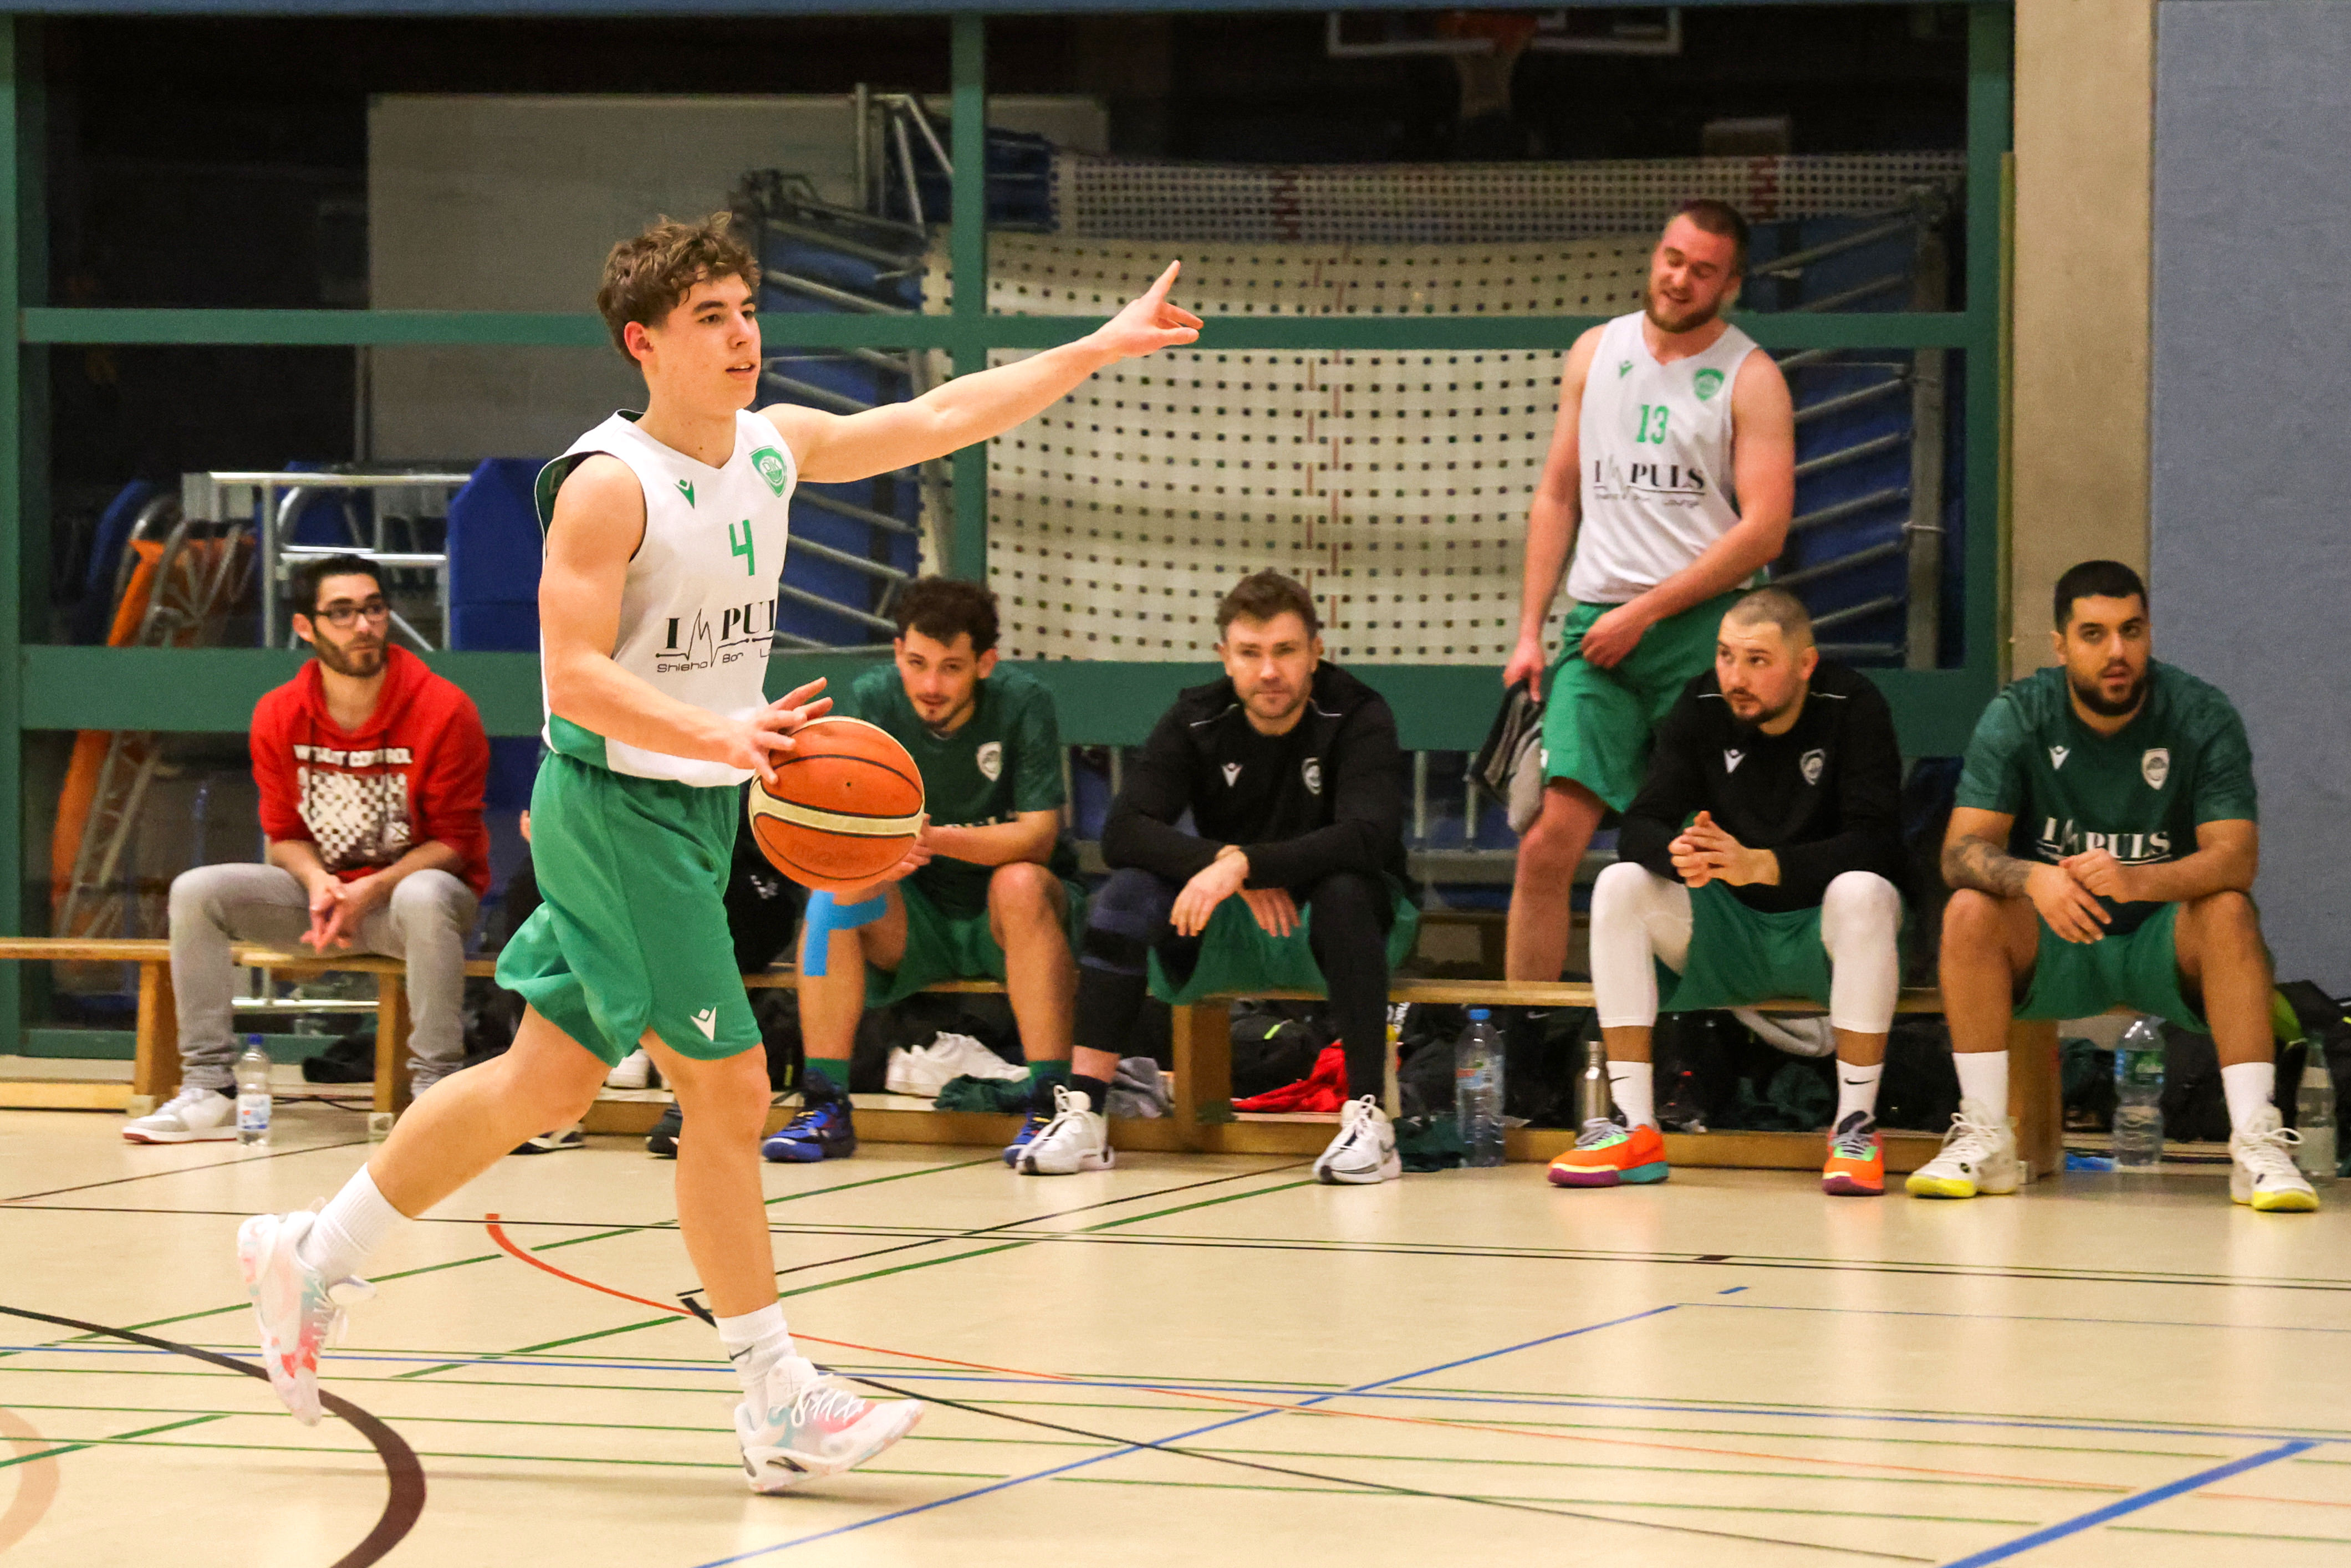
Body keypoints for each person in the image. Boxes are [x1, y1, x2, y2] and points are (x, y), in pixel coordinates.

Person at [234, 212, 1201, 1489]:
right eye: (711, 317)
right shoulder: (607, 484)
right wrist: (720, 730)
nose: (743, 335)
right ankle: (774, 1392)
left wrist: (1094, 347)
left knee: (545, 1083)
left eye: (747, 310)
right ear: (643, 342)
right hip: (615, 804)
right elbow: (574, 677)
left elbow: (937, 417)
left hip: (694, 806)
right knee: (733, 1091)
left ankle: (312, 1253)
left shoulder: (770, 445)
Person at [1918, 560, 2314, 1211]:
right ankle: (1985, 1137)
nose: (2116, 652)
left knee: (2227, 910)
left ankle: (2255, 1143)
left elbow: (2235, 859)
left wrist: (2138, 880)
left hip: (2161, 939)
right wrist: (2031, 877)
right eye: (2093, 634)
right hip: (2056, 934)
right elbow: (1958, 852)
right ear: (2059, 645)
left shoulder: (2199, 714)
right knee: (1967, 909)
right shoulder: (2019, 715)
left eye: (2131, 631)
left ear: (2149, 633)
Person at [1500, 200, 1796, 984]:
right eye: (1672, 258)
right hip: (1600, 634)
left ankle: (1710, 1027)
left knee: (1697, 848)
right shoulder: (1595, 351)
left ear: (1730, 285)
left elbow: (1765, 531)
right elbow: (1556, 494)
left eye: (1702, 270)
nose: (1679, 278)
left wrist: (1647, 612)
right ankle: (1521, 1032)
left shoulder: (1752, 377)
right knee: (1545, 842)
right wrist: (1529, 630)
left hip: (1701, 633)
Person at [1061, 570, 1419, 1184]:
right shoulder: (1197, 717)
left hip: (1342, 922)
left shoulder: (1358, 713)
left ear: (1315, 652)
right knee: (1125, 895)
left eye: (1285, 651)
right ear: (1225, 657)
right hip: (1238, 918)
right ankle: (1084, 1114)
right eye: (1250, 653)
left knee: (1344, 891)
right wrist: (1225, 860)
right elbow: (1123, 831)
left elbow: (1368, 836)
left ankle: (1369, 1120)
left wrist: (1247, 865)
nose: (1268, 671)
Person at [1547, 588, 1908, 1195]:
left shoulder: (1853, 704)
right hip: (1728, 932)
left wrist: (1762, 865)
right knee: (1619, 883)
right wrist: (1680, 854)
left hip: (1822, 933)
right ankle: (1635, 1128)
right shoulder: (1701, 703)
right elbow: (1641, 822)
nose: (1735, 678)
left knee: (1864, 892)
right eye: (1724, 656)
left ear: (1804, 663)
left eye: (1756, 661)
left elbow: (1878, 843)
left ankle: (1854, 1127)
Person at [123, 554, 490, 1143]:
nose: (363, 625)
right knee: (197, 892)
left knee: (423, 895)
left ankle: (435, 1090)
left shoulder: (444, 708)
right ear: (305, 627)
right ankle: (210, 1086)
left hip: (410, 910)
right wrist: (321, 884)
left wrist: (371, 889)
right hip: (321, 904)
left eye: (373, 608)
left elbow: (455, 843)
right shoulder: (279, 712)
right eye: (341, 613)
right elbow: (285, 837)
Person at [769, 576, 1085, 1171]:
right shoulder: (875, 698)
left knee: (1018, 882)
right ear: (897, 653)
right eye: (916, 663)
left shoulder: (1024, 702)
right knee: (831, 896)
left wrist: (933, 839)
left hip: (1007, 920)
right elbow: (852, 823)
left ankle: (1051, 1106)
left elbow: (1038, 836)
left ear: (984, 664)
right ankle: (823, 1103)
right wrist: (874, 852)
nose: (931, 686)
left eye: (951, 668)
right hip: (916, 921)